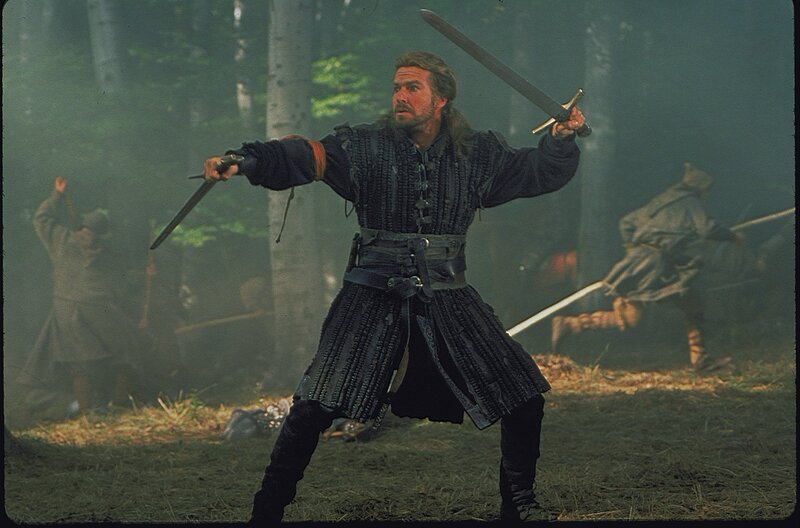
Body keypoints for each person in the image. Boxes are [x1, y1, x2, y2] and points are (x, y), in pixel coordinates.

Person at [202, 51, 585, 522]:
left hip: (447, 294)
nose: (400, 96)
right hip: (371, 293)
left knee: (522, 396)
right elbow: (303, 155)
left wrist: (561, 139)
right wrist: (247, 160)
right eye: (397, 87)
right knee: (314, 406)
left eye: (412, 88)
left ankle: (519, 506)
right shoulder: (363, 145)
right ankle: (266, 513)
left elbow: (536, 171)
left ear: (440, 99)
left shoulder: (477, 152)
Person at [550, 163, 741, 373]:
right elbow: (707, 228)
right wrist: (733, 236)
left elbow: (626, 223)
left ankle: (701, 360)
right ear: (700, 187)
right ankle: (571, 324)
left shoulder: (661, 202)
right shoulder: (690, 202)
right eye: (707, 190)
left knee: (687, 303)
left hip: (649, 262)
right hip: (655, 266)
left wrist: (634, 251)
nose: (707, 194)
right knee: (639, 315)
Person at [17, 177, 143, 416]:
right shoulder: (109, 252)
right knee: (126, 350)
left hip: (65, 308)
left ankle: (86, 413)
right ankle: (120, 403)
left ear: (83, 226)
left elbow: (41, 219)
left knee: (78, 361)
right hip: (101, 308)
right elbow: (121, 286)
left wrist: (56, 195)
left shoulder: (62, 238)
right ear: (103, 232)